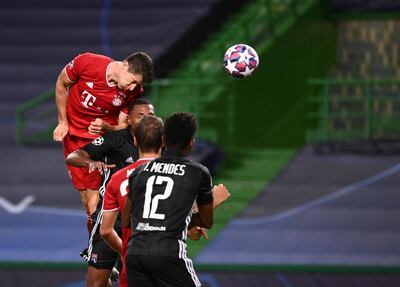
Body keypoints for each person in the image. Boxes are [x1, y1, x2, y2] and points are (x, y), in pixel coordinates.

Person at [54, 51, 154, 236]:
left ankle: (102, 252)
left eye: (137, 84)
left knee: (94, 201)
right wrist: (63, 122)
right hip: (74, 138)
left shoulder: (132, 92)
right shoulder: (87, 63)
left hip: (100, 142)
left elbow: (123, 126)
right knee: (86, 201)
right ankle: (97, 245)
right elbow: (61, 83)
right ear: (124, 65)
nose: (133, 88)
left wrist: (107, 127)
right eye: (132, 81)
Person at [123, 112, 229, 287]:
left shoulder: (139, 172)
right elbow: (207, 221)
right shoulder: (198, 172)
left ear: (163, 140)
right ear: (191, 144)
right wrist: (215, 199)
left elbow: (127, 220)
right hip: (169, 253)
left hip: (135, 255)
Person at [66, 99, 155, 287]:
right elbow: (73, 156)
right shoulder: (115, 140)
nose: (146, 119)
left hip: (143, 219)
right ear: (129, 119)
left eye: (151, 116)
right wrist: (90, 162)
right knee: (96, 284)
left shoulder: (159, 145)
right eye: (141, 116)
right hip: (111, 215)